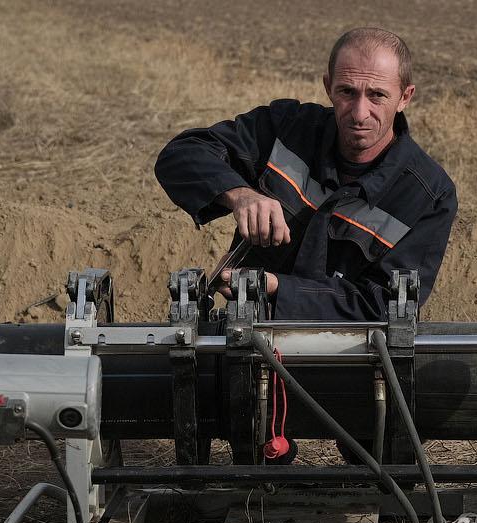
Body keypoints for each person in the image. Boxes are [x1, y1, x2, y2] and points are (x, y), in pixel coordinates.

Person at [155, 28, 457, 321]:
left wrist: (274, 287)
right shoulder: (286, 128)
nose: (359, 112)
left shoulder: (429, 195)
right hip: (247, 340)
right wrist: (240, 195)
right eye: (347, 92)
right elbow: (181, 154)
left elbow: (384, 307)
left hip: (351, 360)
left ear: (405, 97)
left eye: (377, 95)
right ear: (328, 87)